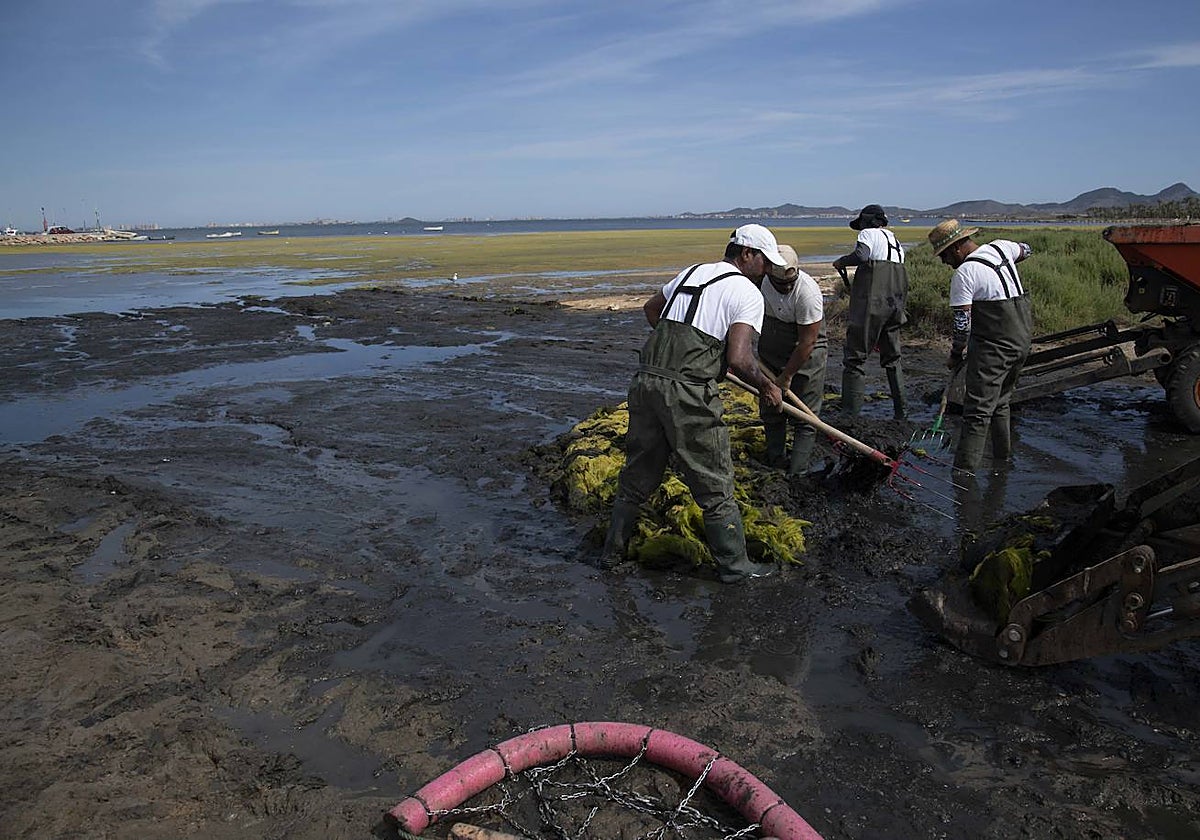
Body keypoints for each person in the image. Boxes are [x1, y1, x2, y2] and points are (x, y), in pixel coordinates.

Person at [602, 224, 786, 583]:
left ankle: (612, 552)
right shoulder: (746, 293)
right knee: (714, 480)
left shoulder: (692, 272)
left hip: (646, 382)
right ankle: (735, 568)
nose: (766, 271)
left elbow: (651, 310)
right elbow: (740, 358)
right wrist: (767, 387)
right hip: (686, 394)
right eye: (764, 262)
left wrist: (677, 356)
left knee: (639, 471)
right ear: (746, 254)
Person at [927, 219, 1033, 472]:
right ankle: (1002, 462)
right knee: (1002, 402)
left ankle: (963, 474)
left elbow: (962, 324)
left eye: (943, 255)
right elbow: (1027, 249)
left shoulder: (964, 273)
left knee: (976, 412)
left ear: (956, 249)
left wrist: (955, 354)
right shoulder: (1001, 248)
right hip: (1021, 341)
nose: (944, 262)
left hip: (994, 348)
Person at [832, 203, 909, 419]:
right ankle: (902, 411)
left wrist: (842, 261)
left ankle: (850, 413)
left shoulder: (868, 234)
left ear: (866, 222)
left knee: (855, 356)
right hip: (895, 303)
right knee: (892, 357)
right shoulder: (896, 242)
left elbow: (862, 255)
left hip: (873, 302)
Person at [758, 244, 827, 476]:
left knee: (804, 414)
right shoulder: (760, 281)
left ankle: (798, 472)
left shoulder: (807, 293)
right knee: (771, 405)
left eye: (791, 282)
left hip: (806, 348)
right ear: (769, 274)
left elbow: (807, 342)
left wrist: (786, 377)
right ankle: (775, 460)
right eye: (782, 284)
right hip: (771, 346)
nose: (787, 287)